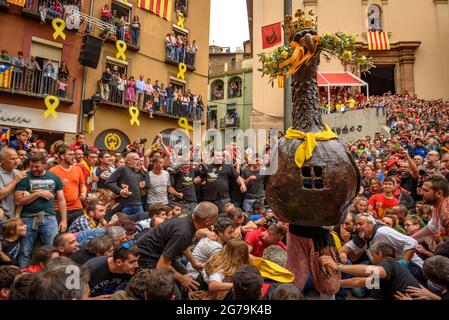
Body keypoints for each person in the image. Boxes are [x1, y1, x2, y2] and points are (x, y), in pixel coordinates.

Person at [136, 202, 218, 297]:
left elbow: (182, 244)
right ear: (207, 221)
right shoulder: (183, 232)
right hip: (148, 257)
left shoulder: (187, 216)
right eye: (214, 220)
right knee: (171, 292)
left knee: (183, 271)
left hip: (161, 252)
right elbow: (162, 265)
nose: (214, 223)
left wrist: (194, 262)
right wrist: (183, 279)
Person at [15, 153, 67, 268]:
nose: (33, 169)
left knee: (52, 251)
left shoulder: (54, 178)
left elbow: (62, 200)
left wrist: (64, 220)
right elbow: (18, 201)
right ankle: (23, 278)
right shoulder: (25, 177)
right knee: (24, 251)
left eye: (36, 166)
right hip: (28, 217)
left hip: (49, 217)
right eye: (31, 166)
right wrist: (38, 193)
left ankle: (52, 277)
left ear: (44, 165)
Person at [320, 242, 421, 300]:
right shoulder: (390, 271)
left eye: (373, 255)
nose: (372, 258)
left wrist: (337, 266)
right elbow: (360, 282)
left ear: (379, 254)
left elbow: (369, 270)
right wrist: (335, 283)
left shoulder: (388, 263)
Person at [49, 145, 86, 227]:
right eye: (70, 155)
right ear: (62, 156)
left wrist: (83, 193)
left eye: (73, 154)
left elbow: (82, 185)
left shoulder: (78, 169)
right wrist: (59, 185)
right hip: (58, 209)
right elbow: (49, 192)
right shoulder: (52, 171)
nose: (73, 157)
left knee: (77, 235)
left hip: (77, 207)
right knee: (61, 236)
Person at [412, 176, 449, 241]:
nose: (421, 193)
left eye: (425, 190)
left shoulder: (446, 211)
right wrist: (409, 239)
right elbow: (432, 227)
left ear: (439, 193)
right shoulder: (435, 205)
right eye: (422, 189)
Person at [0, 148, 27, 219]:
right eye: (12, 159)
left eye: (17, 158)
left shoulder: (19, 173)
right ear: (2, 160)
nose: (16, 161)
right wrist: (15, 181)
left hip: (16, 217)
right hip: (2, 217)